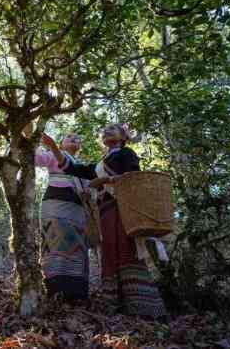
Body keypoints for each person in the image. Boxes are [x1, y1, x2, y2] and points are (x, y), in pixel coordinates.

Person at [41, 123, 168, 320]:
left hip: (124, 209)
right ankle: (114, 302)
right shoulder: (100, 164)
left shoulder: (127, 154)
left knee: (126, 249)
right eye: (105, 130)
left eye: (113, 128)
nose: (107, 131)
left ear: (123, 136)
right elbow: (73, 168)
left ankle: (142, 307)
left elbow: (134, 178)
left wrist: (104, 182)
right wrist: (53, 147)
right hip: (106, 211)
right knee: (110, 251)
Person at [29, 127, 90, 302]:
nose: (73, 139)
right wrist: (29, 133)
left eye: (77, 138)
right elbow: (35, 157)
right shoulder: (53, 156)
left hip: (77, 211)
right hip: (55, 205)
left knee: (77, 246)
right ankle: (54, 288)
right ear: (61, 143)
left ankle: (76, 291)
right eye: (69, 137)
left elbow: (89, 190)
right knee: (54, 242)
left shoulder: (81, 166)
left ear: (79, 147)